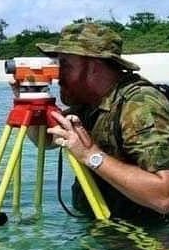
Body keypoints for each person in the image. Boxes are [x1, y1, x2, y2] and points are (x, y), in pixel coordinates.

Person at [25, 22, 169, 220]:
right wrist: (31, 102)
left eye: (65, 65)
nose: (58, 75)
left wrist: (91, 155)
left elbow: (164, 196)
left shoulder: (140, 104)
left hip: (150, 240)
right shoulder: (89, 103)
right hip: (109, 233)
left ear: (93, 67)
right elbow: (45, 140)